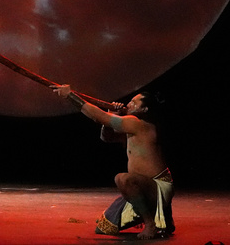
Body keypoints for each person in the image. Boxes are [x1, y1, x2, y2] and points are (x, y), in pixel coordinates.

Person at [54, 85, 174, 239]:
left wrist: (70, 96)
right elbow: (106, 137)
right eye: (130, 101)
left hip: (157, 187)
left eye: (134, 103)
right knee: (103, 227)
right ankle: (164, 219)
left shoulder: (138, 124)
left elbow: (98, 116)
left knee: (122, 179)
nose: (129, 104)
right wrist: (112, 116)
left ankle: (150, 223)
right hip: (143, 185)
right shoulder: (133, 128)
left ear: (145, 110)